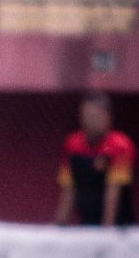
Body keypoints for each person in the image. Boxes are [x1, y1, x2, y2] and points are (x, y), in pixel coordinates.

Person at [55, 92, 136, 227]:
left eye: (94, 116)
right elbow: (69, 191)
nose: (89, 121)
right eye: (85, 116)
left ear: (107, 118)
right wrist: (58, 228)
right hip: (87, 225)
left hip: (121, 229)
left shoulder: (121, 146)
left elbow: (113, 194)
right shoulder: (72, 145)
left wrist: (105, 235)